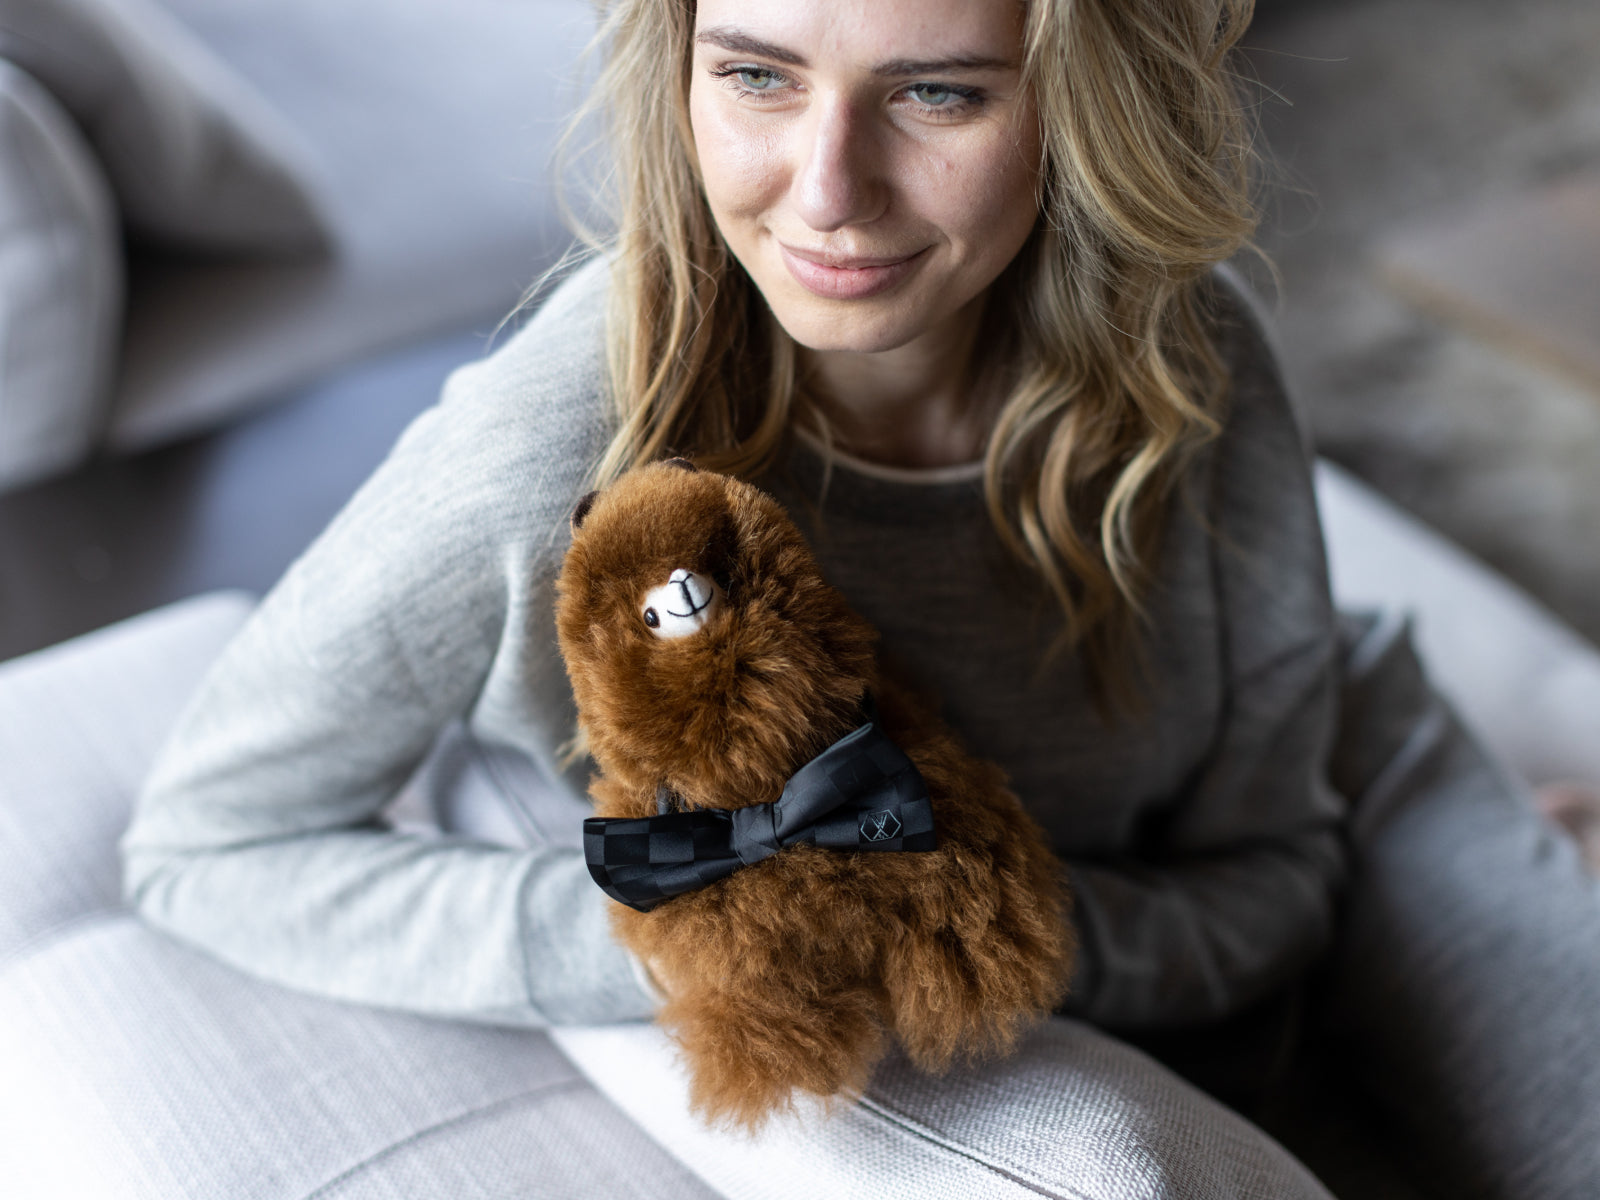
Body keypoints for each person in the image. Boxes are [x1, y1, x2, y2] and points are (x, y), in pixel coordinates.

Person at [121, 0, 1600, 1196]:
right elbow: (203, 848)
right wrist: (722, 938)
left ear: (1079, 103)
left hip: (1359, 754)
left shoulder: (1191, 361)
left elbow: (1278, 884)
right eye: (758, 76)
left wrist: (979, 928)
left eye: (938, 94)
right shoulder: (541, 460)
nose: (826, 191)